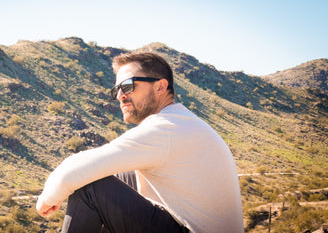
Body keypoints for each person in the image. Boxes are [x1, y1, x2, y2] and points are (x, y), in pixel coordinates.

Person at [36, 52, 244, 233]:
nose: (120, 96)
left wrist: (47, 199)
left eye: (127, 86)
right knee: (117, 175)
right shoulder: (181, 122)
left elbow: (73, 170)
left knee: (90, 188)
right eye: (116, 90)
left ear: (160, 86)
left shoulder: (166, 128)